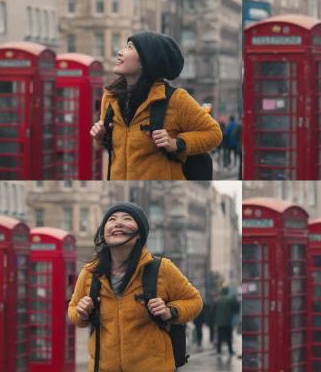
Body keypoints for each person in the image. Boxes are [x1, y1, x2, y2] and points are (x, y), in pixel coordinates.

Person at [68, 202, 203, 371]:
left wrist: (170, 311)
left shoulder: (161, 268)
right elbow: (73, 310)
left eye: (127, 219)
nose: (118, 223)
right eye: (111, 219)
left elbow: (195, 300)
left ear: (139, 234)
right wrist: (81, 312)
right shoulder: (90, 273)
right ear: (103, 233)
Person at [89, 32, 222, 180]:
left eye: (130, 47)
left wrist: (177, 143)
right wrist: (99, 137)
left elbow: (214, 133)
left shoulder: (176, 99)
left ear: (147, 61)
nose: (120, 52)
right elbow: (107, 146)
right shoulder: (110, 97)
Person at [212, 286, 240, 355]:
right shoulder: (229, 300)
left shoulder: (216, 300)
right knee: (228, 337)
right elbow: (235, 309)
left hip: (219, 322)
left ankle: (219, 350)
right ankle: (230, 351)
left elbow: (213, 311)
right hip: (228, 322)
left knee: (219, 337)